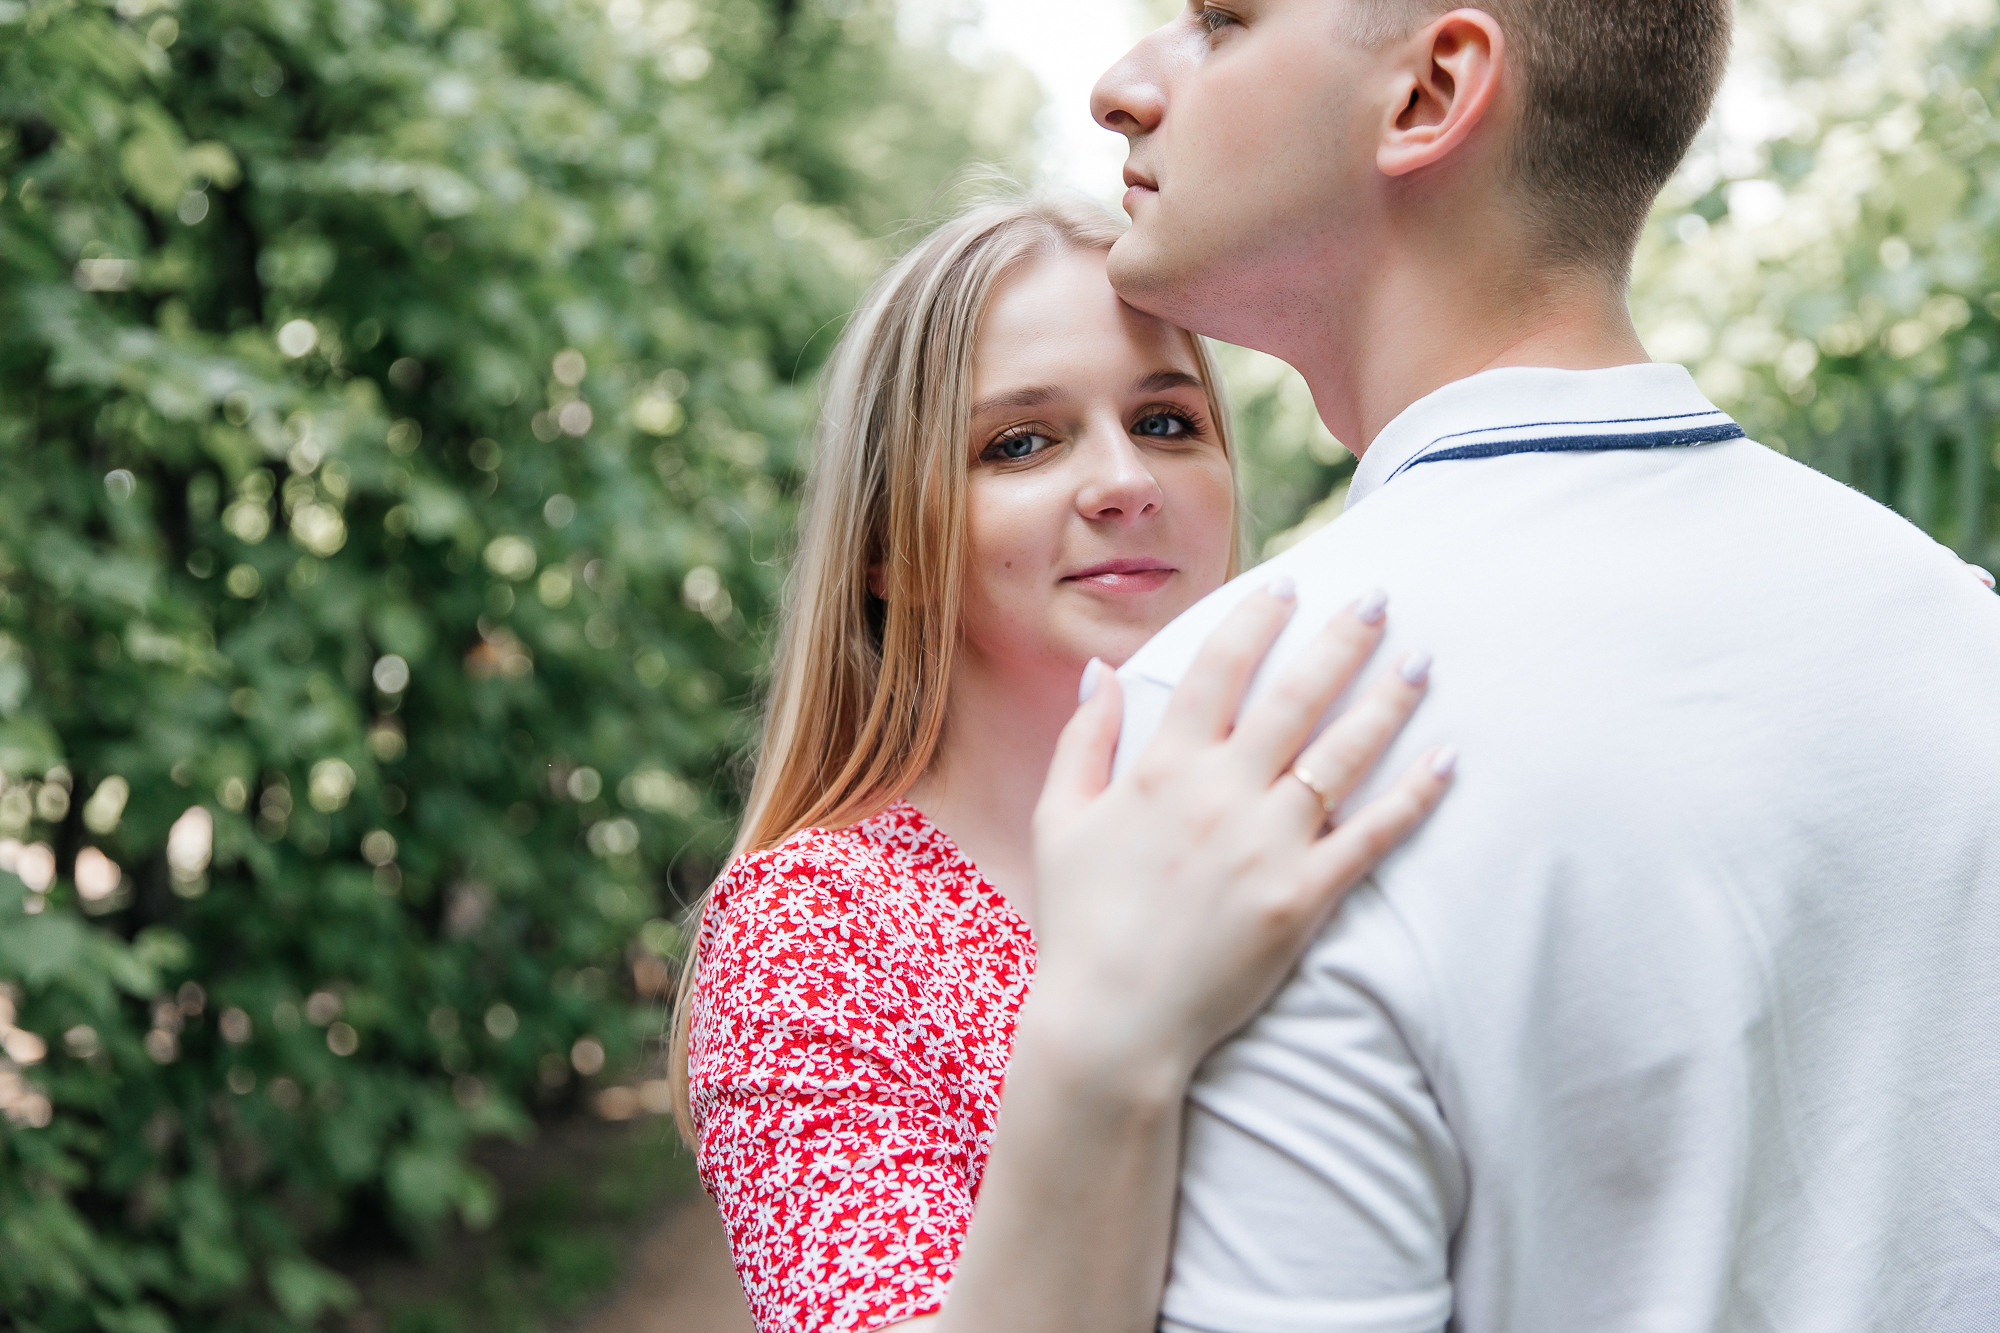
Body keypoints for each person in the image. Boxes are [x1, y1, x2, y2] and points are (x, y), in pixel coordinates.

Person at [1075, 1, 2000, 1329]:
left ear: (1431, 91)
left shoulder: (1246, 726)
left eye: (1220, 21)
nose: (1119, 86)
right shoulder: (1953, 629)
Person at [670, 197, 1457, 1332]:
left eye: (1167, 422)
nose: (1125, 479)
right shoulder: (813, 929)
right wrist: (1113, 1033)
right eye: (1021, 443)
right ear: (887, 545)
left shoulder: (1331, 800)